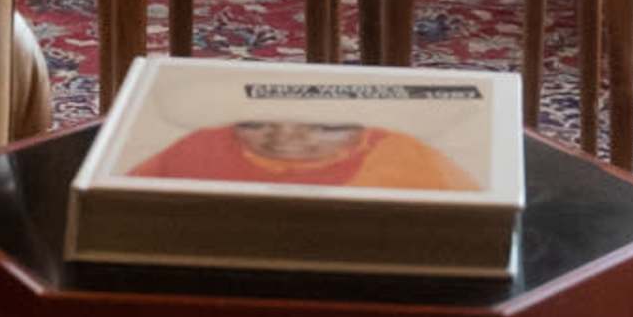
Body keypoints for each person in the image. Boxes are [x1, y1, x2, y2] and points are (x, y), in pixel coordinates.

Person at [129, 116, 480, 192]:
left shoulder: (404, 155)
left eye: (324, 127)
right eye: (256, 124)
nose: (284, 137)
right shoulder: (197, 146)